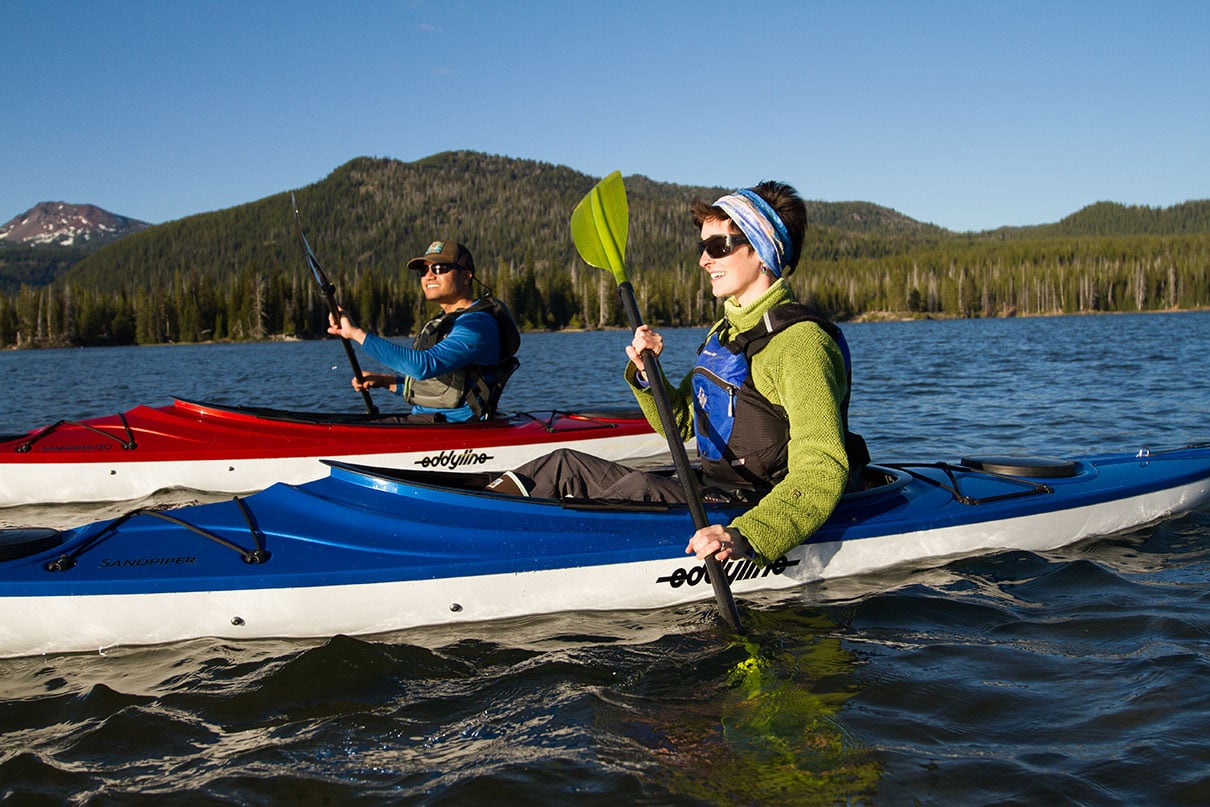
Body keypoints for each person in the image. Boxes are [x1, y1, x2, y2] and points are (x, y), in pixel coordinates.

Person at [490, 181, 868, 567]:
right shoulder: (725, 334)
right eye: (702, 248)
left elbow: (822, 466)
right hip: (713, 490)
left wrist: (748, 535)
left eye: (718, 246)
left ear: (761, 251)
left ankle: (488, 542)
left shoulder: (800, 343)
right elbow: (681, 424)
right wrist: (648, 376)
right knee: (562, 465)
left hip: (754, 508)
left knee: (615, 483)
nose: (704, 260)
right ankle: (475, 518)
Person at [327, 240, 521, 422]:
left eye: (439, 268)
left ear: (465, 276)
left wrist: (355, 333)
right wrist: (386, 381)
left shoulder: (477, 325)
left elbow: (423, 366)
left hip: (452, 428)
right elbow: (439, 387)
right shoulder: (447, 321)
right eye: (423, 270)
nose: (429, 276)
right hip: (429, 422)